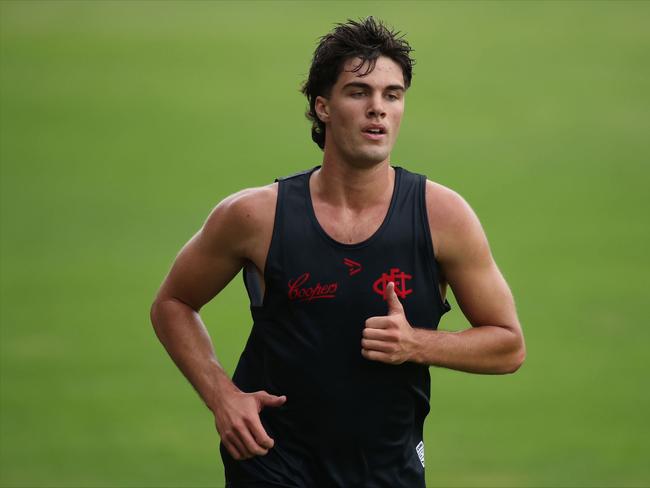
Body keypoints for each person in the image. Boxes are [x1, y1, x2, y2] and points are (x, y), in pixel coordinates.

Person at [150, 16, 525, 488]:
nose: (378, 109)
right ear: (323, 107)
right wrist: (222, 396)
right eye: (358, 92)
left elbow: (508, 344)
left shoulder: (443, 216)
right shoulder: (255, 216)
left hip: (386, 469)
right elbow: (173, 303)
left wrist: (416, 344)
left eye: (392, 94)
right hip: (271, 462)